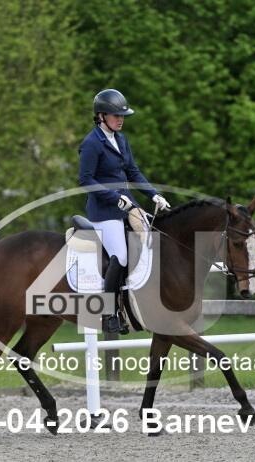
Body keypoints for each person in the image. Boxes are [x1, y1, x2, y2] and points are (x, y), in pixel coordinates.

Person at [78, 89, 170, 334]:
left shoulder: (121, 139)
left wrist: (154, 195)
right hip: (104, 211)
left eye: (122, 116)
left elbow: (133, 172)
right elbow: (86, 180)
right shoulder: (91, 143)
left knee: (152, 241)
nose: (121, 120)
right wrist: (115, 198)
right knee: (120, 255)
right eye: (116, 115)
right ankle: (109, 313)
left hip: (128, 206)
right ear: (101, 116)